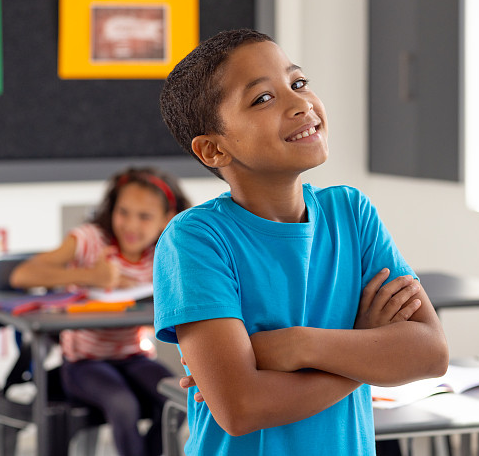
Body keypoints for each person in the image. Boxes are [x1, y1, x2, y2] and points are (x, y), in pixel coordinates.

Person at [153, 28, 449, 456]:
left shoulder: (351, 212)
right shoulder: (195, 240)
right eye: (263, 99)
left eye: (298, 83)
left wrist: (298, 345)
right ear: (213, 150)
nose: (300, 104)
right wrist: (362, 346)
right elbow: (241, 408)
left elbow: (430, 353)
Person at [10, 166, 191, 456]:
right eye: (124, 212)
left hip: (134, 357)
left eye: (144, 217)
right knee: (123, 405)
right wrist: (90, 276)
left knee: (180, 398)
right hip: (83, 363)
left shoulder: (163, 250)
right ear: (112, 208)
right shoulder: (90, 240)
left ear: (166, 219)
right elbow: (23, 275)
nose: (131, 225)